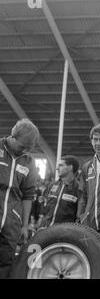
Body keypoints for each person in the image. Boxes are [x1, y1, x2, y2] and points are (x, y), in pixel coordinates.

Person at [0, 118, 39, 278]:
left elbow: (28, 195)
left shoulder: (29, 162)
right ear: (13, 136)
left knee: (6, 263)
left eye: (28, 149)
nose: (24, 151)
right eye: (22, 146)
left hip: (12, 222)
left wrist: (24, 225)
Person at [40, 155, 82, 227]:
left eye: (61, 165)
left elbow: (79, 216)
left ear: (70, 168)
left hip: (64, 233)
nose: (57, 168)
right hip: (46, 230)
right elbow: (44, 205)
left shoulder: (79, 188)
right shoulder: (52, 185)